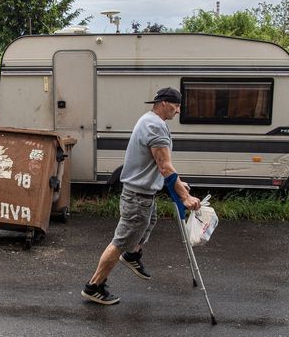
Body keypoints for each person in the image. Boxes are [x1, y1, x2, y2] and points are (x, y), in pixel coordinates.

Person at [81, 87, 201, 305]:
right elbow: (165, 166)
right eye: (176, 105)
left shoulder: (148, 120)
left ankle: (133, 254)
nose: (179, 110)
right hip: (137, 196)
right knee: (120, 242)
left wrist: (178, 183)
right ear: (164, 103)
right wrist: (184, 197)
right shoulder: (155, 126)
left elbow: (156, 164)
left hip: (142, 193)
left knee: (149, 221)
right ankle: (94, 286)